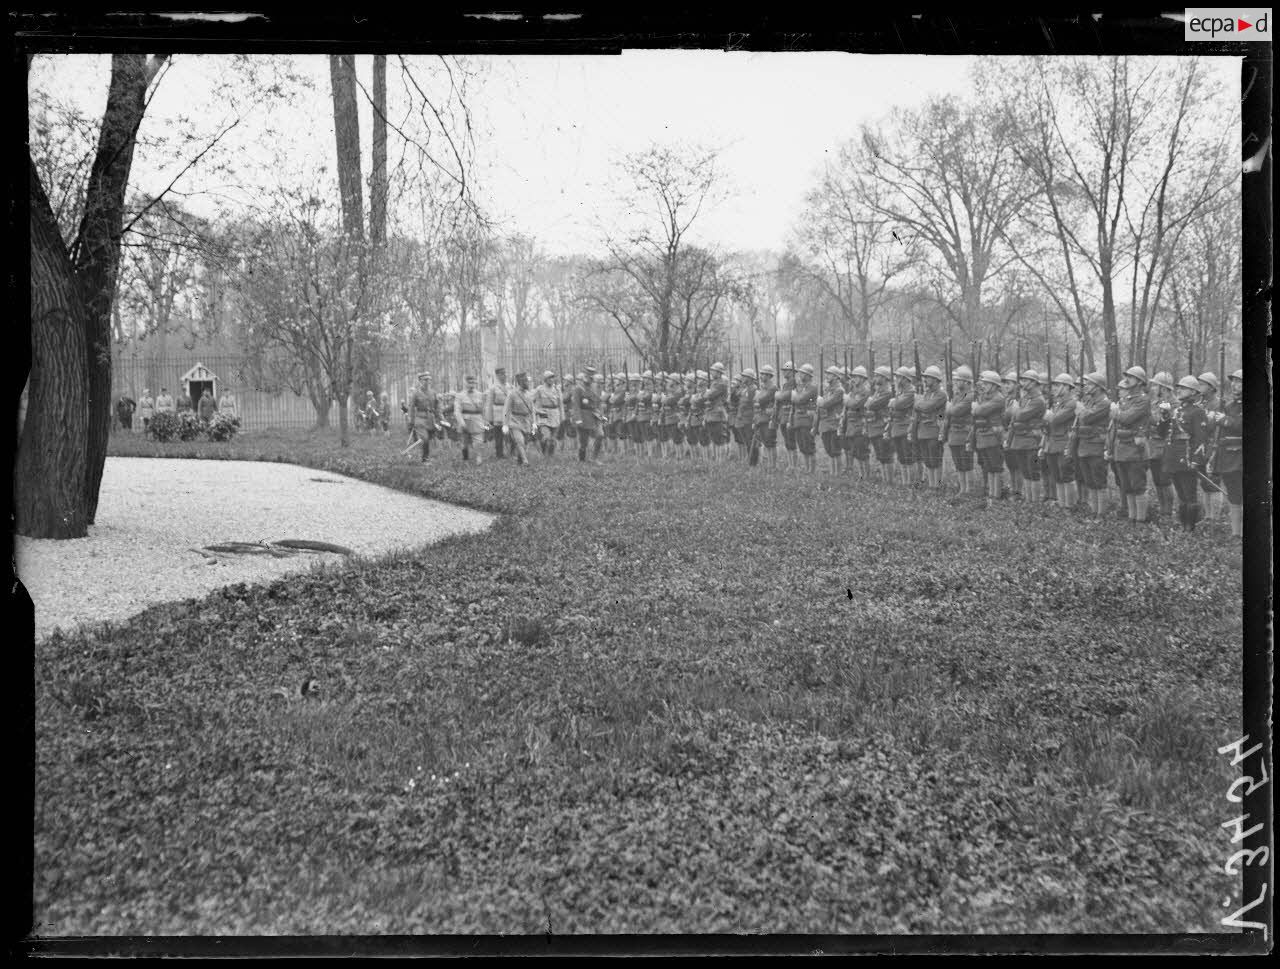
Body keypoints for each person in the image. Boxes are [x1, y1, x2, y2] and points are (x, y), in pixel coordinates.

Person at [1162, 375, 1210, 531]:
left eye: (1183, 388)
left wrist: (1196, 460)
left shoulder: (1198, 412)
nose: (1179, 390)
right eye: (1179, 388)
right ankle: (1183, 525)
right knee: (1181, 494)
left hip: (1187, 458)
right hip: (1174, 457)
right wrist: (1164, 417)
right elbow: (1164, 433)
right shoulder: (1176, 411)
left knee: (1189, 495)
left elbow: (1201, 439)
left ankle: (1190, 528)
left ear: (1193, 392)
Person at [1112, 365, 1152, 524]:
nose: (1127, 379)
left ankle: (1140, 520)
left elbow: (1127, 419)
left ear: (1140, 381)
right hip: (1122, 448)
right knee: (1127, 486)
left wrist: (1116, 413)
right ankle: (1132, 517)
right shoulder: (1127, 399)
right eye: (1127, 376)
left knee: (1138, 486)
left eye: (1131, 377)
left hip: (1136, 450)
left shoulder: (1143, 400)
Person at [1073, 372, 1113, 518]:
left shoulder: (1104, 403)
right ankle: (1094, 511)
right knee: (1090, 481)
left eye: (1090, 384)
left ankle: (1101, 514)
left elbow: (1087, 418)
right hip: (1084, 446)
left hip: (1096, 446)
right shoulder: (1089, 401)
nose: (1086, 386)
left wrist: (1080, 409)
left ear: (1098, 387)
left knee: (1099, 481)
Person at [1007, 368, 1047, 505]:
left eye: (1026, 380)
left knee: (1033, 471)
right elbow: (1014, 419)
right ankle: (1029, 500)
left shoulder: (1038, 400)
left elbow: (1020, 415)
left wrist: (1016, 409)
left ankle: (1034, 502)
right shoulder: (1025, 398)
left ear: (1034, 383)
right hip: (1020, 439)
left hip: (1031, 440)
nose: (1023, 383)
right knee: (1025, 471)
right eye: (1022, 380)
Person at [1212, 369, 1243, 538]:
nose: (1234, 385)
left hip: (1244, 455)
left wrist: (1224, 420)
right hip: (1228, 455)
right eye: (1233, 381)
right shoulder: (1229, 405)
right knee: (1233, 493)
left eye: (1239, 382)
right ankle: (1236, 533)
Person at [1041, 372, 1078, 511]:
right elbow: (1046, 423)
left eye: (1058, 385)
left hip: (1064, 444)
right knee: (1057, 475)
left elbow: (1055, 420)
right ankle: (1062, 504)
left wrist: (1047, 415)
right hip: (1052, 443)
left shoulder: (1072, 404)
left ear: (1067, 388)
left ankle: (1069, 506)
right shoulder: (1057, 404)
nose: (1055, 388)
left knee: (1066, 475)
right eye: (1055, 385)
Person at [970, 371, 1006, 508]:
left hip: (993, 436)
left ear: (993, 385)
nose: (983, 386)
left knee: (995, 467)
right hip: (984, 436)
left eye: (986, 383)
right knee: (988, 467)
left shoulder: (998, 398)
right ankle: (991, 493)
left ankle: (996, 495)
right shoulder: (986, 397)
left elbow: (979, 412)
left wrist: (976, 408)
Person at [1145, 372, 1176, 522]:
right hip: (1153, 445)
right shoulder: (1154, 402)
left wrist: (1150, 417)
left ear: (1163, 388)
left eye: (1156, 385)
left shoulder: (1174, 403)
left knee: (1165, 480)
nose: (1153, 387)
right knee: (1157, 479)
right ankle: (1162, 508)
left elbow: (1160, 421)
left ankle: (1168, 512)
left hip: (1165, 446)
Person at [913, 365, 947, 492]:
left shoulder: (941, 394)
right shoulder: (927, 393)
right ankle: (931, 485)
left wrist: (920, 405)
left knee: (935, 459)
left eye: (927, 377)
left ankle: (936, 485)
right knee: (928, 460)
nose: (925, 380)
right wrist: (921, 405)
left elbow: (927, 407)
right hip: (923, 431)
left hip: (934, 430)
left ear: (935, 379)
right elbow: (920, 405)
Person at [941, 365, 974, 497]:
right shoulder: (957, 396)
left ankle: (969, 489)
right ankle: (963, 489)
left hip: (965, 434)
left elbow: (954, 411)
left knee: (967, 463)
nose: (956, 383)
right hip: (954, 434)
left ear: (967, 382)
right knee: (959, 463)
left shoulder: (970, 396)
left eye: (959, 380)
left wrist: (949, 407)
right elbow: (948, 415)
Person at [1197, 372, 1225, 521]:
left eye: (1202, 384)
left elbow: (1215, 426)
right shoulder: (1200, 403)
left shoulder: (1219, 404)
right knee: (1204, 482)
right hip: (1200, 446)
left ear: (1211, 387)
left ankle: (1215, 518)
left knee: (1213, 482)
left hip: (1213, 446)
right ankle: (1207, 516)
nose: (1199, 386)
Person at [888, 366, 917, 487]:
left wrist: (892, 403)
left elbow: (899, 404)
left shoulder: (910, 392)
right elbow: (892, 409)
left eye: (898, 377)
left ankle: (911, 482)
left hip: (906, 427)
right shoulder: (901, 391)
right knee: (901, 457)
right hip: (897, 426)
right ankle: (905, 482)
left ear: (905, 379)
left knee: (908, 457)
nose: (896, 379)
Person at [865, 365, 893, 483]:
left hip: (883, 427)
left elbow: (871, 405)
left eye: (878, 376)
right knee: (880, 456)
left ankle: (889, 480)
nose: (876, 378)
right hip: (874, 427)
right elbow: (867, 405)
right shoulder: (877, 392)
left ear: (884, 378)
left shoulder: (887, 393)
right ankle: (884, 479)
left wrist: (870, 402)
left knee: (886, 456)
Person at [841, 366, 870, 479]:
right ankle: (861, 474)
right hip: (852, 425)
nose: (854, 379)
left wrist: (847, 400)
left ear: (863, 378)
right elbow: (849, 403)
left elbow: (854, 404)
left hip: (861, 424)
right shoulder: (853, 390)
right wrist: (848, 400)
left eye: (857, 377)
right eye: (854, 376)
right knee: (855, 451)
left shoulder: (865, 391)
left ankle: (866, 475)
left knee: (863, 451)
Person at [816, 365, 845, 475]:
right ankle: (832, 473)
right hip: (826, 423)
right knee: (829, 450)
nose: (827, 376)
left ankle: (837, 473)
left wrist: (820, 400)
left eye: (830, 374)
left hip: (835, 424)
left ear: (836, 377)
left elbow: (826, 403)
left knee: (835, 450)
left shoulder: (839, 390)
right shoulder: (827, 389)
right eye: (827, 374)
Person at [571, 366, 605, 462]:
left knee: (600, 435)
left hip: (594, 416)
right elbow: (576, 405)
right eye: (588, 374)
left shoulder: (595, 388)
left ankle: (594, 458)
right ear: (584, 375)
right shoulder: (578, 389)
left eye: (591, 375)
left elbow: (599, 403)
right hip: (583, 417)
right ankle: (582, 460)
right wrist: (578, 419)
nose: (589, 377)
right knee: (583, 443)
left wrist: (601, 416)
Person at [503, 371, 536, 465]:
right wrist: (505, 424)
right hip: (515, 420)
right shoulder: (512, 394)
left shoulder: (529, 394)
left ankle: (520, 458)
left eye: (527, 381)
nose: (527, 383)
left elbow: (532, 410)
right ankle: (525, 461)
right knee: (519, 440)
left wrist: (534, 422)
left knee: (525, 443)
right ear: (520, 381)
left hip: (526, 421)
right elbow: (506, 410)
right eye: (525, 381)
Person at [454, 374, 488, 464]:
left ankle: (478, 457)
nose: (472, 385)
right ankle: (465, 459)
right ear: (466, 383)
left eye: (473, 382)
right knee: (464, 443)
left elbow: (484, 409)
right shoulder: (460, 395)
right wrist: (461, 422)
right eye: (469, 383)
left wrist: (486, 421)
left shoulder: (480, 395)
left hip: (477, 420)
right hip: (465, 420)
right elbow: (457, 411)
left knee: (479, 441)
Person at [791, 363, 818, 474]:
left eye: (802, 373)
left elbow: (800, 399)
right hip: (798, 419)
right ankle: (807, 468)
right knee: (802, 445)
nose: (800, 375)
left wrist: (794, 395)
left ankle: (812, 470)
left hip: (807, 419)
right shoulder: (800, 387)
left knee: (809, 446)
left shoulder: (812, 387)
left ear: (808, 375)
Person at [532, 370, 564, 458]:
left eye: (552, 377)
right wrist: (536, 410)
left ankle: (550, 456)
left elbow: (560, 404)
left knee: (553, 439)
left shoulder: (557, 389)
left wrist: (562, 416)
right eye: (549, 378)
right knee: (546, 437)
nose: (551, 379)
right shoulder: (539, 389)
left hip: (555, 415)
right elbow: (530, 401)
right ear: (545, 379)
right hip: (544, 415)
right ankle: (543, 450)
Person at [704, 362, 731, 463]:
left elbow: (709, 395)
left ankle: (721, 461)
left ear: (719, 373)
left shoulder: (721, 383)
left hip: (718, 413)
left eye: (713, 371)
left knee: (720, 439)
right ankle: (716, 459)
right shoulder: (715, 383)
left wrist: (706, 393)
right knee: (714, 438)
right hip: (712, 413)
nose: (711, 372)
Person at [409, 372, 438, 462]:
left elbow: (437, 406)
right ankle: (425, 459)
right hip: (420, 418)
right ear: (420, 381)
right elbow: (411, 407)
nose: (427, 382)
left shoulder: (433, 392)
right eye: (425, 380)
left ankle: (426, 456)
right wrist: (412, 420)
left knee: (428, 439)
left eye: (428, 380)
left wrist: (440, 418)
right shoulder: (416, 393)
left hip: (430, 419)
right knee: (425, 438)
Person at [775, 361, 796, 472]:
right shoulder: (785, 384)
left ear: (792, 372)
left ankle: (794, 465)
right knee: (787, 442)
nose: (784, 372)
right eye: (784, 370)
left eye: (786, 370)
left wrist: (779, 395)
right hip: (783, 415)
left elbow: (786, 396)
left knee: (791, 441)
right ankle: (790, 464)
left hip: (790, 414)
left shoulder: (794, 383)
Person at [486, 366, 511, 459]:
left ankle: (512, 452)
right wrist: (489, 418)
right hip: (498, 414)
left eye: (505, 373)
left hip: (508, 413)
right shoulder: (493, 388)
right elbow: (489, 404)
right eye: (502, 374)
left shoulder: (510, 387)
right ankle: (499, 454)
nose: (505, 375)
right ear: (497, 375)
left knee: (511, 434)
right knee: (499, 436)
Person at [734, 369, 756, 464]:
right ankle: (750, 460)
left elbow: (751, 403)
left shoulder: (753, 389)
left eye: (744, 376)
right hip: (742, 418)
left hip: (749, 418)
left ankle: (753, 461)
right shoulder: (745, 389)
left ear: (750, 378)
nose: (742, 378)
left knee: (751, 441)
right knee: (747, 441)